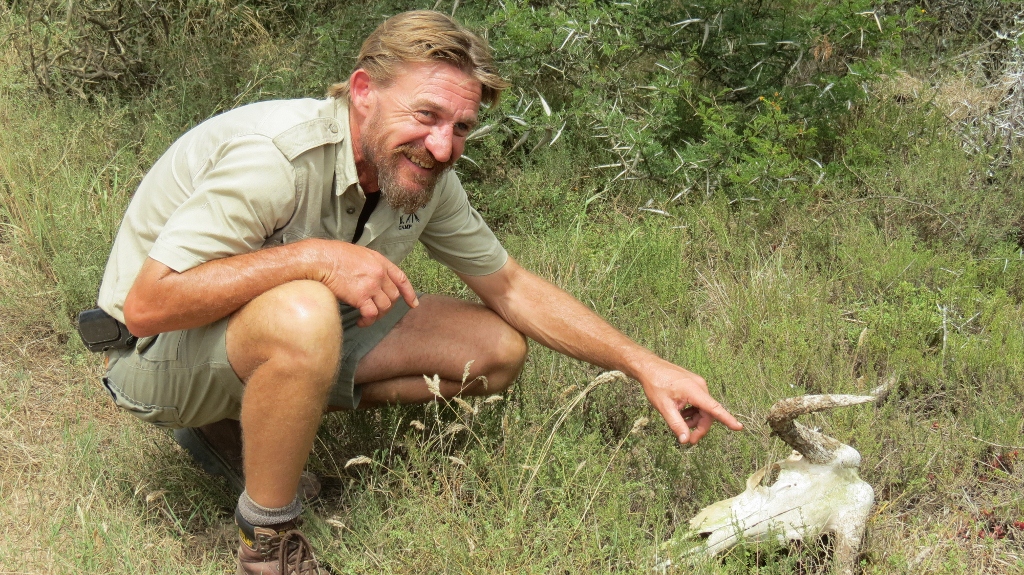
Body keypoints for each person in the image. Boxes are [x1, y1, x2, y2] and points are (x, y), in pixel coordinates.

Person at [95, 10, 743, 574]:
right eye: (427, 115)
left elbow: (511, 286)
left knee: (493, 347)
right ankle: (266, 542)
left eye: (461, 127)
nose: (442, 145)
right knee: (306, 304)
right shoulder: (277, 158)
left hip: (263, 336)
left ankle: (238, 429)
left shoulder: (423, 174)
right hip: (151, 354)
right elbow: (148, 303)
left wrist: (643, 364)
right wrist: (319, 257)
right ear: (363, 93)